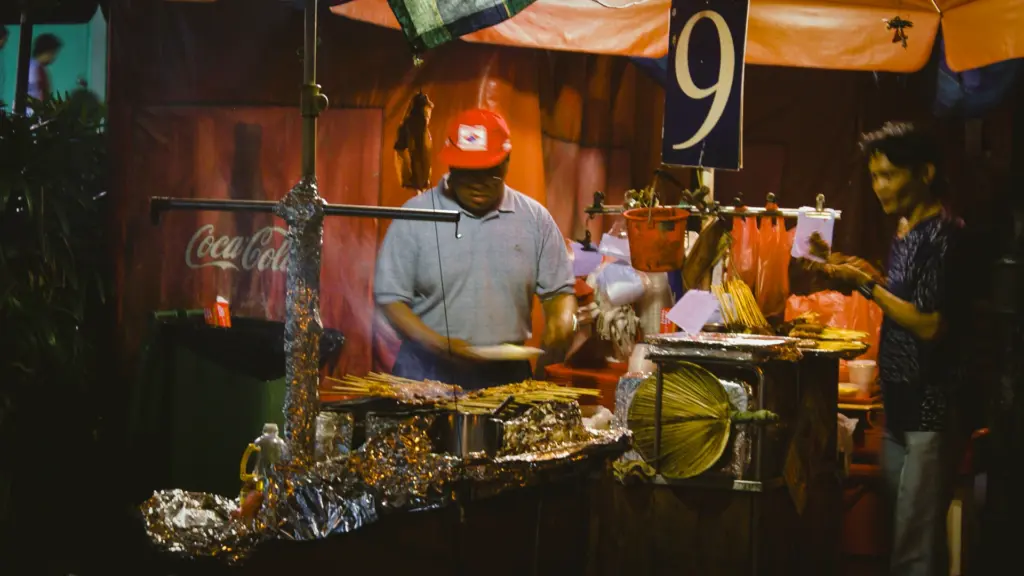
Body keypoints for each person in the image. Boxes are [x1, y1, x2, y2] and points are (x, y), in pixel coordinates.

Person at [822, 122, 968, 576]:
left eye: (889, 175)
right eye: (874, 176)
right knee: (908, 541)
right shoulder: (905, 230)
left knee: (913, 551)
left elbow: (929, 324)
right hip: (898, 408)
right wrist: (870, 274)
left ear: (924, 173)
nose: (879, 186)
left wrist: (865, 285)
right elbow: (908, 300)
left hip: (932, 410)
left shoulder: (945, 234)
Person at [374, 108, 577, 389]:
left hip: (506, 378)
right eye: (467, 173)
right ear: (451, 166)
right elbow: (390, 299)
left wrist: (562, 323)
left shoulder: (535, 219)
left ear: (507, 162)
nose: (477, 183)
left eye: (489, 172)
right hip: (424, 373)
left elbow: (559, 294)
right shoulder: (417, 214)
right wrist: (438, 344)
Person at [28, 33, 63, 103]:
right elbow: (41, 95)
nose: (53, 57)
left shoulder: (30, 66)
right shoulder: (36, 69)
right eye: (52, 53)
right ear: (46, 52)